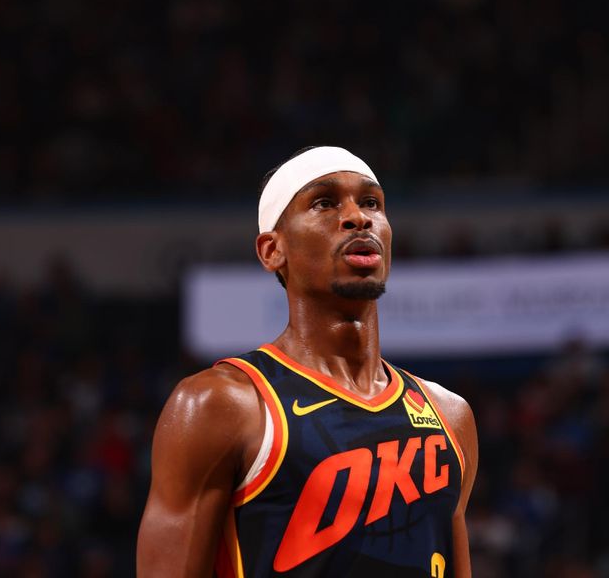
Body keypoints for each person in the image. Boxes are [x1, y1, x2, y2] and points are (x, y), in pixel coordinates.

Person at [137, 146, 479, 577]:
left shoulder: (449, 415)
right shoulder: (221, 404)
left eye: (371, 202)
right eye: (325, 202)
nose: (358, 217)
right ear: (271, 250)